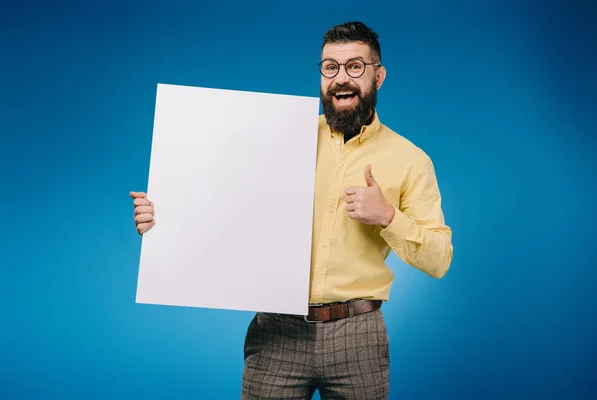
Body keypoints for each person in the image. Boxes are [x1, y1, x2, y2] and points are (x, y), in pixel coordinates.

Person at [130, 21, 453, 400]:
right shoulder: (279, 136)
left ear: (378, 76)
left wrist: (387, 216)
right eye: (330, 67)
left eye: (355, 66)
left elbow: (439, 259)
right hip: (277, 331)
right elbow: (220, 204)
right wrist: (164, 220)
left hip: (358, 335)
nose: (340, 78)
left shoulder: (410, 160)